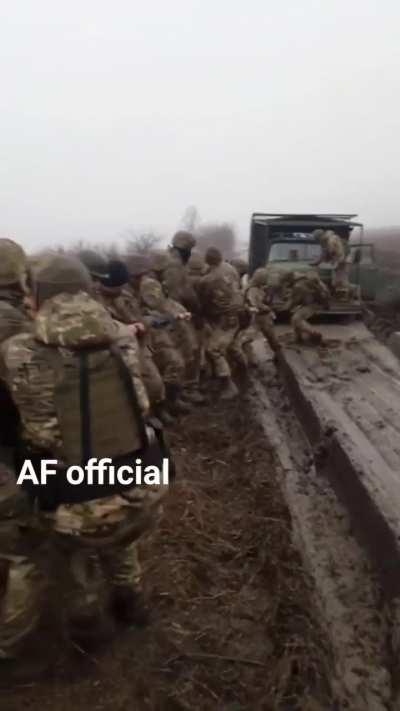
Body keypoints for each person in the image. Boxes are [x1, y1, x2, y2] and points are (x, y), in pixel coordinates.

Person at [1, 255, 169, 659]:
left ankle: (85, 623)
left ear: (37, 294)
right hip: (146, 489)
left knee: (53, 539)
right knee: (111, 507)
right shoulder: (123, 339)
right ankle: (131, 601)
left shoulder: (17, 352)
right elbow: (155, 395)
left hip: (78, 505)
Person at [197, 247, 242, 399]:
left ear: (207, 261)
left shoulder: (207, 280)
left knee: (213, 349)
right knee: (232, 345)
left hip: (224, 318)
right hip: (237, 312)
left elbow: (202, 302)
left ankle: (228, 384)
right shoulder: (231, 268)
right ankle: (243, 371)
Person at [279, 271, 330, 344]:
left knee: (296, 319)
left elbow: (293, 302)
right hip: (314, 302)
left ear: (288, 280)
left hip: (315, 304)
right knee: (295, 318)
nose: (285, 285)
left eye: (285, 283)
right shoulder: (301, 281)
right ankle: (298, 338)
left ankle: (314, 334)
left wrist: (282, 309)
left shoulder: (298, 286)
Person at [244, 267, 281, 357]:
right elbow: (256, 304)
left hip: (259, 316)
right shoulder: (252, 289)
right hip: (257, 317)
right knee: (248, 338)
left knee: (271, 337)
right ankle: (250, 357)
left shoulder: (257, 287)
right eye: (265, 278)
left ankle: (278, 354)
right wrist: (267, 308)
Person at [312, 229, 350, 294]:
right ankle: (340, 295)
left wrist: (338, 261)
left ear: (321, 236)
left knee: (341, 280)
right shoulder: (325, 242)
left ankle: (346, 297)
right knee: (336, 281)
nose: (319, 241)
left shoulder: (332, 240)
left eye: (318, 239)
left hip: (343, 260)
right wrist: (317, 262)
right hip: (337, 261)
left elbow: (338, 252)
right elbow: (324, 254)